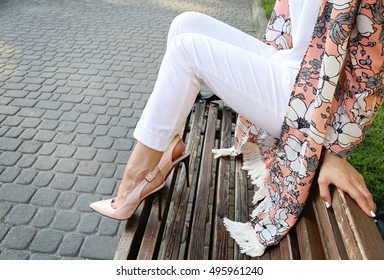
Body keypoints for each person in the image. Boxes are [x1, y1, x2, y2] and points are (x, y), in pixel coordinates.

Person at [90, 0, 383, 257]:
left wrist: (335, 152)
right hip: (289, 63)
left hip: (307, 102)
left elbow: (371, 73)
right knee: (185, 23)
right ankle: (169, 147)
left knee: (186, 50)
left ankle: (136, 178)